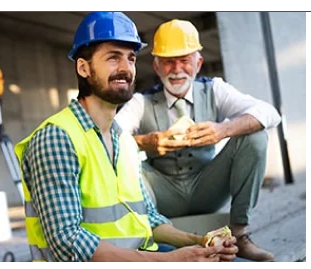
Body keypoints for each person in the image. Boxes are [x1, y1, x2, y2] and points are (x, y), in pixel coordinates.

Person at [15, 12, 239, 262]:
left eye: (131, 58)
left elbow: (148, 219)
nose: (126, 68)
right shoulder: (57, 138)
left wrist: (199, 243)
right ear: (83, 67)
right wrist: (172, 260)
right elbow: (68, 243)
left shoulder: (123, 140)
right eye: (113, 58)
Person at [115, 19, 281, 262]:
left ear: (198, 63)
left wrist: (224, 130)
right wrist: (144, 142)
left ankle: (239, 234)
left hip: (207, 186)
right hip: (162, 193)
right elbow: (109, 136)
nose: (177, 69)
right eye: (169, 62)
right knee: (125, 156)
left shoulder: (215, 89)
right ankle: (149, 242)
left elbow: (270, 113)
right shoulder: (141, 102)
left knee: (255, 136)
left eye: (184, 60)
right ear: (157, 66)